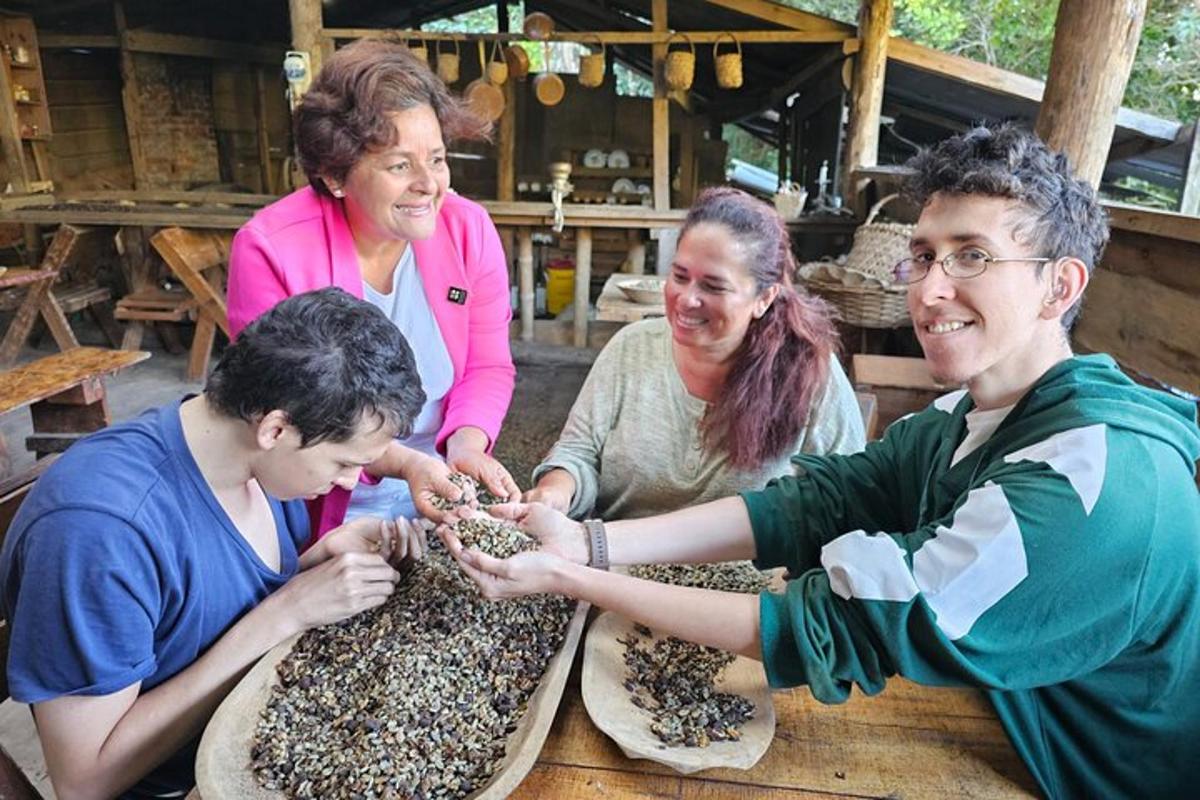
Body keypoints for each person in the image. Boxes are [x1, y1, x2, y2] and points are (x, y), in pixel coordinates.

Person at [442, 125, 1200, 799]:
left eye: (974, 257)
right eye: (925, 256)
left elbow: (834, 629)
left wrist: (575, 577)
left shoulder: (1085, 482)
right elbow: (814, 503)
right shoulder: (960, 416)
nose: (933, 291)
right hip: (998, 703)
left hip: (1076, 770)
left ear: (1057, 285)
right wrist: (587, 543)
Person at [0, 288, 429, 799]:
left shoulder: (238, 455)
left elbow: (204, 606)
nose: (350, 483)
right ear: (275, 428)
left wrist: (322, 562)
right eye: (344, 463)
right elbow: (84, 780)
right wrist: (286, 613)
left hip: (254, 723)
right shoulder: (99, 532)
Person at [228, 39, 518, 537]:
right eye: (399, 165)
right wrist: (404, 464)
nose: (429, 184)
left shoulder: (468, 230)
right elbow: (294, 412)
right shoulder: (270, 250)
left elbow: (488, 366)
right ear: (336, 174)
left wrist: (466, 447)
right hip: (317, 496)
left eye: (438, 159)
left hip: (437, 484)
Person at [525, 187, 864, 520]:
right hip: (610, 558)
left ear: (764, 298)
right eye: (679, 276)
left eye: (713, 286)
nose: (687, 299)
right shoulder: (631, 349)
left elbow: (845, 500)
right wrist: (556, 492)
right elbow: (578, 451)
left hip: (756, 573)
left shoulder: (808, 373)